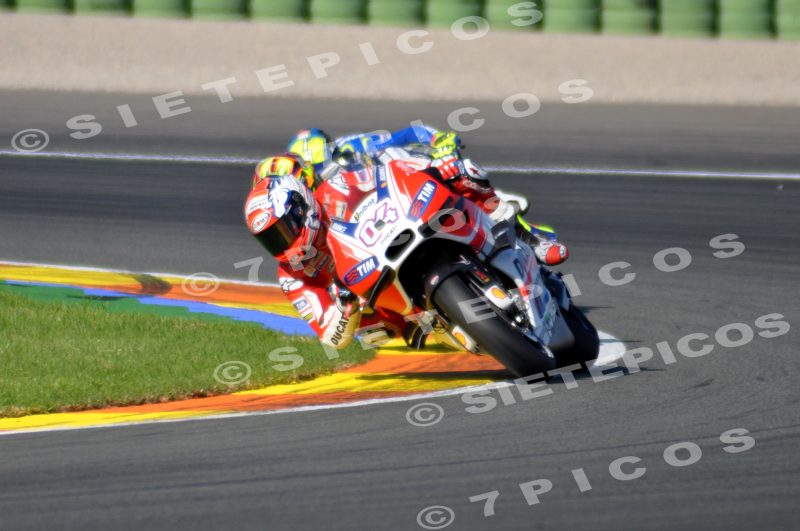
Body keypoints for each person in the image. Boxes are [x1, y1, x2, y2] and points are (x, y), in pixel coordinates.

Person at [287, 126, 569, 266]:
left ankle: (530, 237)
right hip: (388, 222)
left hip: (418, 182)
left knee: (463, 171)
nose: (327, 175)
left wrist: (439, 142)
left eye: (326, 166)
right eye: (318, 174)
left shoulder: (354, 146)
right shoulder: (322, 201)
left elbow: (410, 132)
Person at [245, 169, 407, 350]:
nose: (282, 242)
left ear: (299, 207)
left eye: (284, 229)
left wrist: (439, 168)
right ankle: (417, 324)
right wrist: (345, 304)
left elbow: (389, 173)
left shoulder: (338, 189)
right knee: (373, 336)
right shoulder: (290, 276)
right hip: (376, 294)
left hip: (401, 235)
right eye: (272, 238)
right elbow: (332, 339)